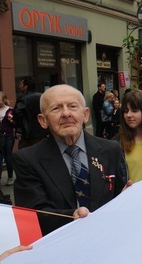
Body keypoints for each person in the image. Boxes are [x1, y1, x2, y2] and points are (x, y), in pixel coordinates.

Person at [13, 85, 129, 234]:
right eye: (56, 108)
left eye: (72, 106)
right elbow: (34, 213)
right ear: (43, 120)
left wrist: (127, 197)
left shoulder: (111, 150)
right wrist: (71, 217)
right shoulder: (28, 160)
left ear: (85, 115)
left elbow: (118, 197)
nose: (66, 113)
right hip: (60, 243)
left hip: (107, 238)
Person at [14, 76, 47, 148]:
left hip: (28, 133)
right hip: (42, 131)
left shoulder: (22, 98)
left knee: (27, 154)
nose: (19, 86)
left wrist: (19, 125)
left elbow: (17, 113)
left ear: (26, 86)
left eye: (20, 84)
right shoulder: (42, 97)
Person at [0, 91, 16, 186]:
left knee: (8, 156)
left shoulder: (10, 110)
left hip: (8, 136)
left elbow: (15, 123)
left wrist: (11, 120)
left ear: (3, 100)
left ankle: (10, 176)